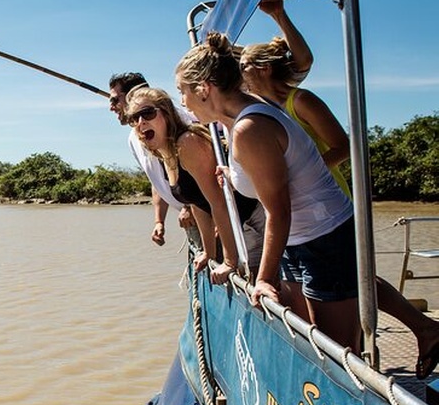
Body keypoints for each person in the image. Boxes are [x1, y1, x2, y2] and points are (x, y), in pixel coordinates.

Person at [240, 34, 439, 379]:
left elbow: (343, 146)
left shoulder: (299, 101)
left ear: (264, 68)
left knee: (349, 283)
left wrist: (303, 171)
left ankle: (408, 336)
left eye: (243, 67)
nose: (239, 74)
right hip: (297, 212)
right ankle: (422, 328)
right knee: (354, 282)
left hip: (323, 201)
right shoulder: (261, 110)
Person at [175, 32, 362, 354]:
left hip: (324, 237)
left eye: (183, 91)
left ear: (204, 89)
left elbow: (279, 210)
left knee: (337, 354)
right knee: (305, 342)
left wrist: (262, 279)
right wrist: (234, 174)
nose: (182, 102)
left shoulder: (250, 128)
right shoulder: (242, 116)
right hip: (298, 240)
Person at [124, 86, 265, 282]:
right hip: (239, 223)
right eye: (133, 118)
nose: (141, 122)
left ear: (166, 113)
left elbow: (219, 202)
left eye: (147, 113)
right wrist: (208, 253)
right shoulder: (166, 154)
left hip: (256, 216)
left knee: (264, 285)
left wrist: (229, 261)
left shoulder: (187, 143)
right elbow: (197, 203)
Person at [109, 72, 194, 247]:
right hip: (191, 221)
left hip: (208, 213)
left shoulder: (175, 121)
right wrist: (159, 221)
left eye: (115, 100)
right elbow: (157, 180)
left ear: (134, 95)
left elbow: (202, 170)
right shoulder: (135, 137)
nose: (112, 107)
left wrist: (191, 206)